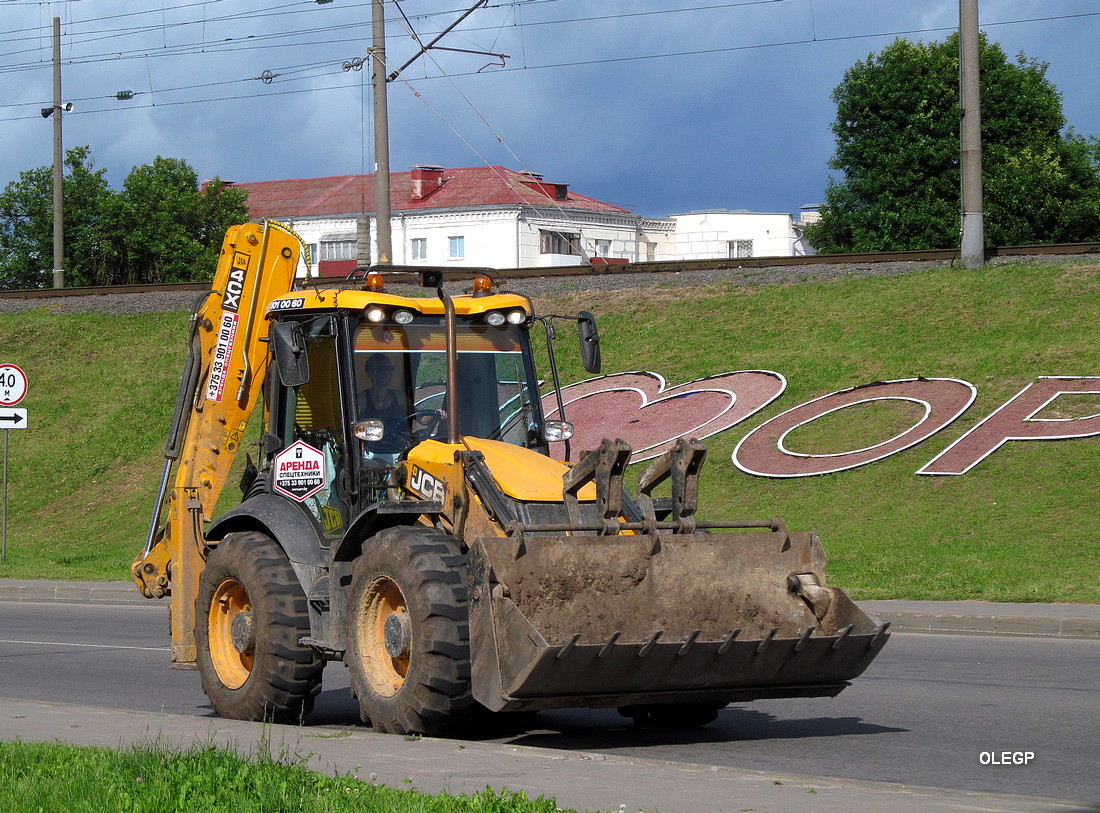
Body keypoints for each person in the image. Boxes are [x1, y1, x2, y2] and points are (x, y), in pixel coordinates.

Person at [357, 353, 409, 458]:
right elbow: (353, 429)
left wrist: (438, 413)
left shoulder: (400, 397)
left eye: (389, 369)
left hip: (401, 454)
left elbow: (419, 418)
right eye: (381, 370)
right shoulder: (361, 400)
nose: (386, 373)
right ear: (370, 374)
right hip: (372, 455)